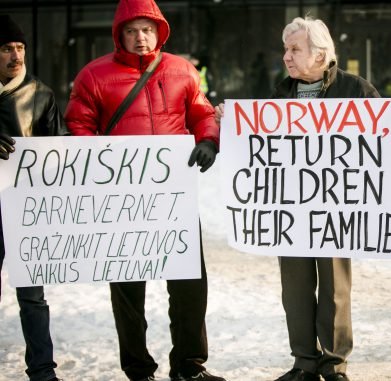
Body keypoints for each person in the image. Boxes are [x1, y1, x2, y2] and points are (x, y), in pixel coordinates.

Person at [64, 1, 224, 380]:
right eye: (132, 31)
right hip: (121, 202)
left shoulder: (182, 70)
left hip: (173, 197)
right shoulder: (93, 75)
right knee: (128, 291)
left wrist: (209, 140)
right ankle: (138, 369)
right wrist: (96, 164)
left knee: (189, 285)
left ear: (160, 32)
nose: (141, 38)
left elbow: (201, 112)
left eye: (147, 30)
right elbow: (78, 125)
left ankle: (189, 366)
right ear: (119, 34)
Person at [216, 16, 378, 381]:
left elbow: (389, 131)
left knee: (335, 288)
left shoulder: (355, 89)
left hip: (336, 208)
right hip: (290, 211)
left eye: (294, 49)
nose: (286, 56)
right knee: (296, 290)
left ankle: (334, 364)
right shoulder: (279, 96)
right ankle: (304, 362)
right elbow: (256, 144)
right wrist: (232, 122)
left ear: (320, 54)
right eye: (285, 49)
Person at [0, 14, 67, 381]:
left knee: (33, 297)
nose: (16, 55)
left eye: (20, 48)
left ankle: (42, 371)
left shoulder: (40, 94)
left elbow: (60, 149)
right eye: (7, 49)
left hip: (25, 211)